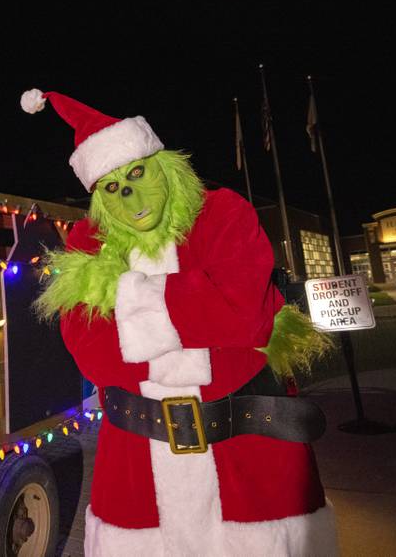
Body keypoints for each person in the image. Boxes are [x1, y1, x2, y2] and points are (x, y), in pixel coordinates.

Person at [25, 88, 338, 556]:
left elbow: (245, 316)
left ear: (164, 165)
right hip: (136, 463)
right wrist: (200, 303)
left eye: (137, 173)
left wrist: (127, 299)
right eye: (111, 187)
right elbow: (94, 355)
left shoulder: (223, 212)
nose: (129, 194)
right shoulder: (88, 242)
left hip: (249, 454)